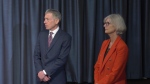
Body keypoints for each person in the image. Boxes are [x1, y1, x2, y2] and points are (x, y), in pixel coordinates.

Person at [34, 9, 71, 84]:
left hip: (57, 78)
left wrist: (45, 72)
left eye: (47, 19)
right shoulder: (41, 35)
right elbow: (36, 55)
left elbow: (61, 60)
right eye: (44, 19)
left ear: (56, 21)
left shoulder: (65, 37)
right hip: (41, 79)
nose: (44, 22)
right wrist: (40, 72)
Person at [94, 14, 128, 84]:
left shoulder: (122, 47)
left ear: (116, 25)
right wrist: (97, 81)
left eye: (108, 23)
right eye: (104, 23)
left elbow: (116, 73)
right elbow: (97, 66)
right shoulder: (105, 43)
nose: (104, 26)